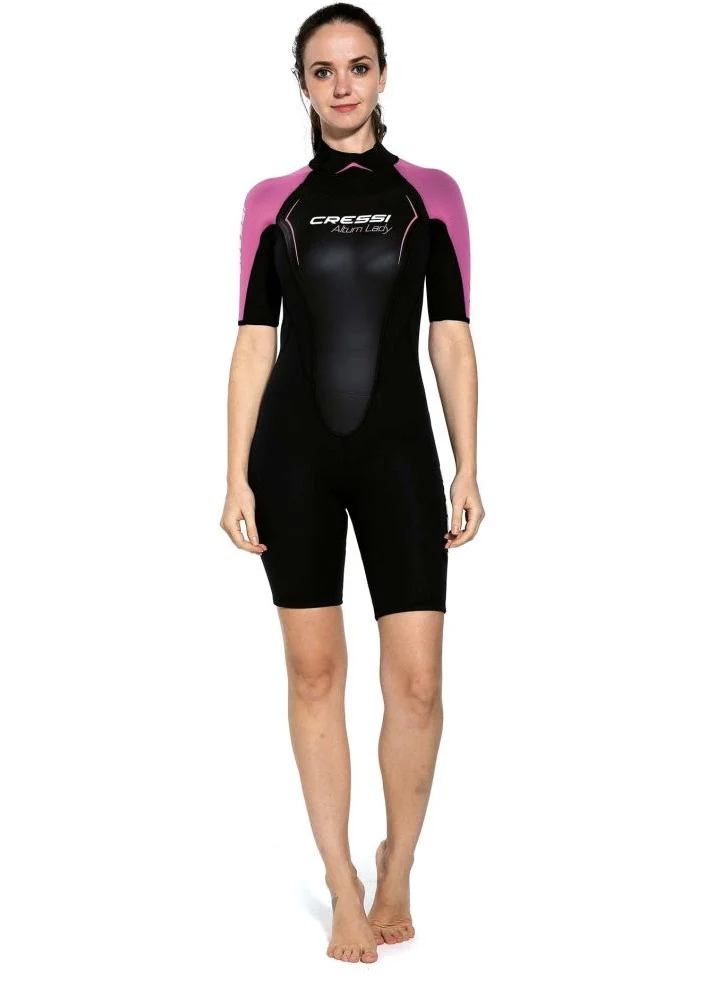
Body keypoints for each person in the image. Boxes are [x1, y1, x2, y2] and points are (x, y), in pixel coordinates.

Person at [221, 3, 485, 963]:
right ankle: (340, 880)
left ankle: (395, 862)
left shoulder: (433, 195)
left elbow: (450, 336)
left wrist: (467, 462)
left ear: (382, 75)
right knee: (314, 672)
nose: (342, 84)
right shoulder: (272, 202)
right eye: (323, 70)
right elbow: (255, 341)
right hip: (292, 458)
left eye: (358, 66)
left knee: (417, 681)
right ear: (302, 85)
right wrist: (234, 474)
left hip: (398, 456)